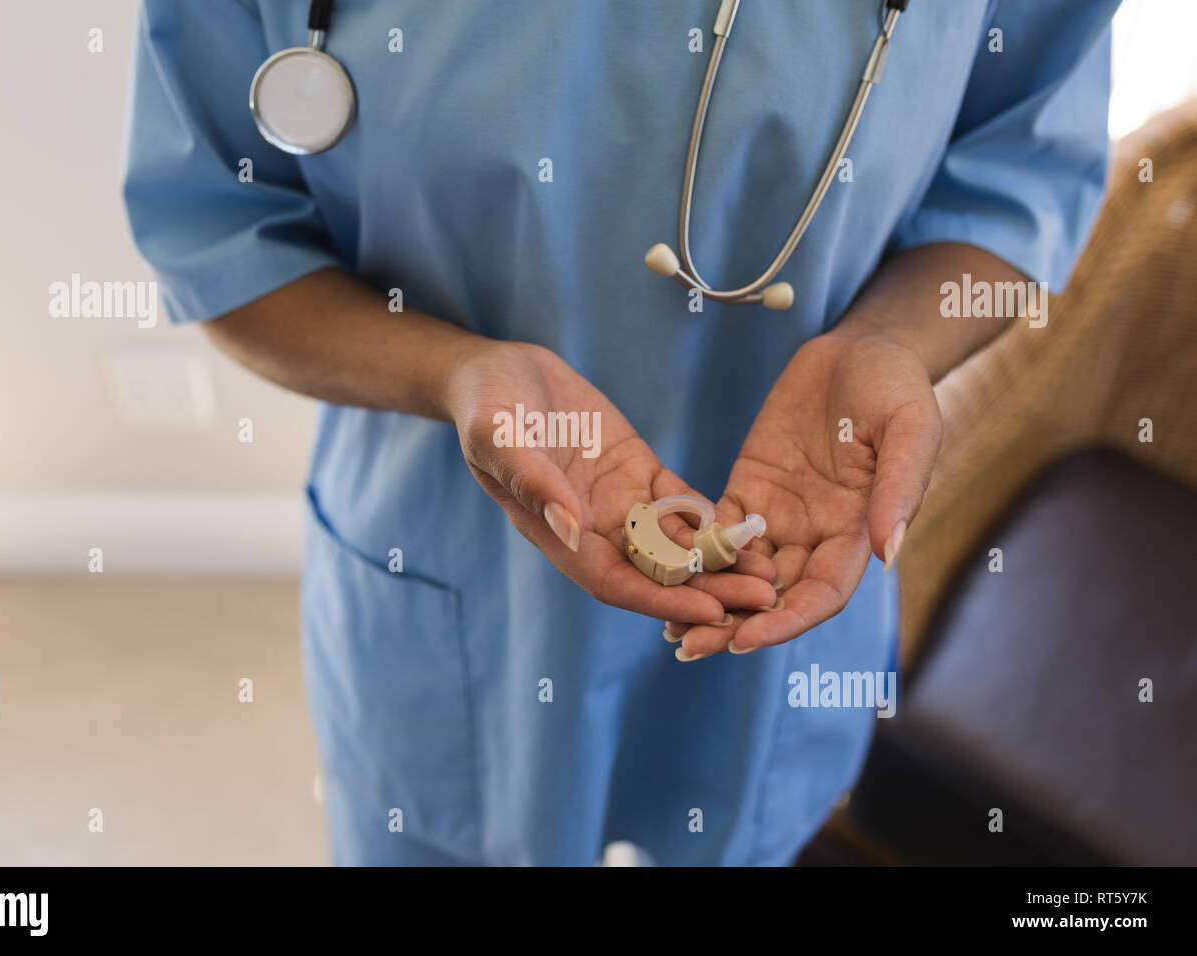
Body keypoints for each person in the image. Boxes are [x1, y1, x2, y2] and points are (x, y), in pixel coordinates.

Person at [123, 0, 1118, 865]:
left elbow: (1020, 183)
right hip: (445, 560)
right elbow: (218, 232)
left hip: (789, 552)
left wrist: (891, 342)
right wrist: (451, 372)